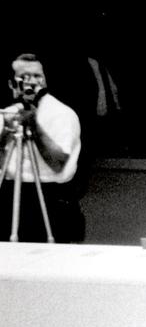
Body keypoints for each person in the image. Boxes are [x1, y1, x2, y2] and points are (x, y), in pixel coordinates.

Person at [0, 53, 84, 242]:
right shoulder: (7, 114)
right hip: (12, 196)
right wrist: (5, 131)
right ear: (12, 84)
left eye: (38, 76)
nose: (32, 82)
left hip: (51, 199)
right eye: (24, 76)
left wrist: (35, 126)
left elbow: (58, 163)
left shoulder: (61, 113)